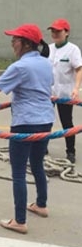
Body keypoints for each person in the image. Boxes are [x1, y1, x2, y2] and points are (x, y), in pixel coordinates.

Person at [0, 24, 54, 234]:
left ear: (26, 44)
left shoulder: (19, 67)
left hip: (25, 123)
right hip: (46, 120)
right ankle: (41, 205)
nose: (12, 43)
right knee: (37, 164)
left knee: (19, 172)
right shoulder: (46, 64)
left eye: (15, 39)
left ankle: (19, 221)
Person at [47, 18, 82, 163]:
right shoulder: (48, 48)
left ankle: (71, 152)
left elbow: (79, 69)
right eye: (53, 31)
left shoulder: (73, 49)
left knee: (67, 122)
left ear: (66, 32)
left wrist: (76, 88)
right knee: (45, 121)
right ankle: (42, 148)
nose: (55, 34)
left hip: (65, 93)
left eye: (58, 31)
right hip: (48, 93)